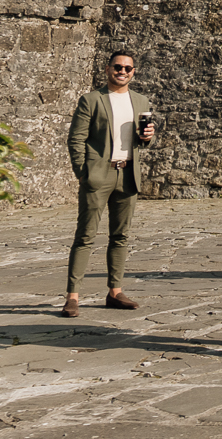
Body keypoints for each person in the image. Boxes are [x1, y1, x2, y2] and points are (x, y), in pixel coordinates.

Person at [62, 50, 156, 317]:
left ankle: (115, 291)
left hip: (127, 175)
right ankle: (73, 296)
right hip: (98, 175)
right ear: (108, 69)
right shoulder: (92, 100)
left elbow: (142, 141)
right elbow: (76, 139)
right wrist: (84, 172)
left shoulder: (140, 101)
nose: (122, 71)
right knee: (85, 236)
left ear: (133, 72)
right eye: (118, 67)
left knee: (120, 236)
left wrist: (148, 137)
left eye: (128, 68)